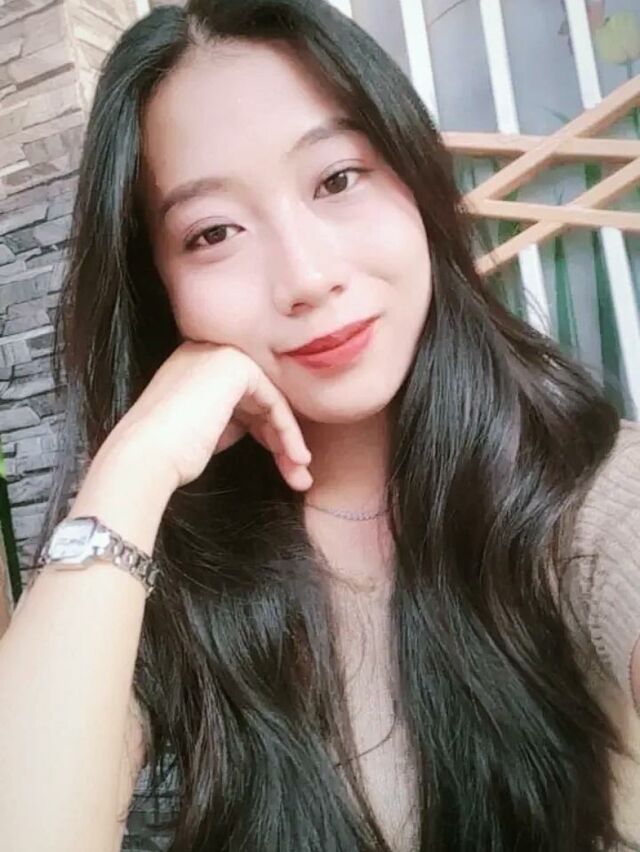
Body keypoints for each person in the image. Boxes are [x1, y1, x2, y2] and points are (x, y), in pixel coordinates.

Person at [0, 0, 639, 850]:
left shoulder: (586, 489)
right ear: (160, 288)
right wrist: (134, 466)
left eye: (338, 179)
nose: (305, 276)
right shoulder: (172, 557)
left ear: (414, 179)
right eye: (213, 232)